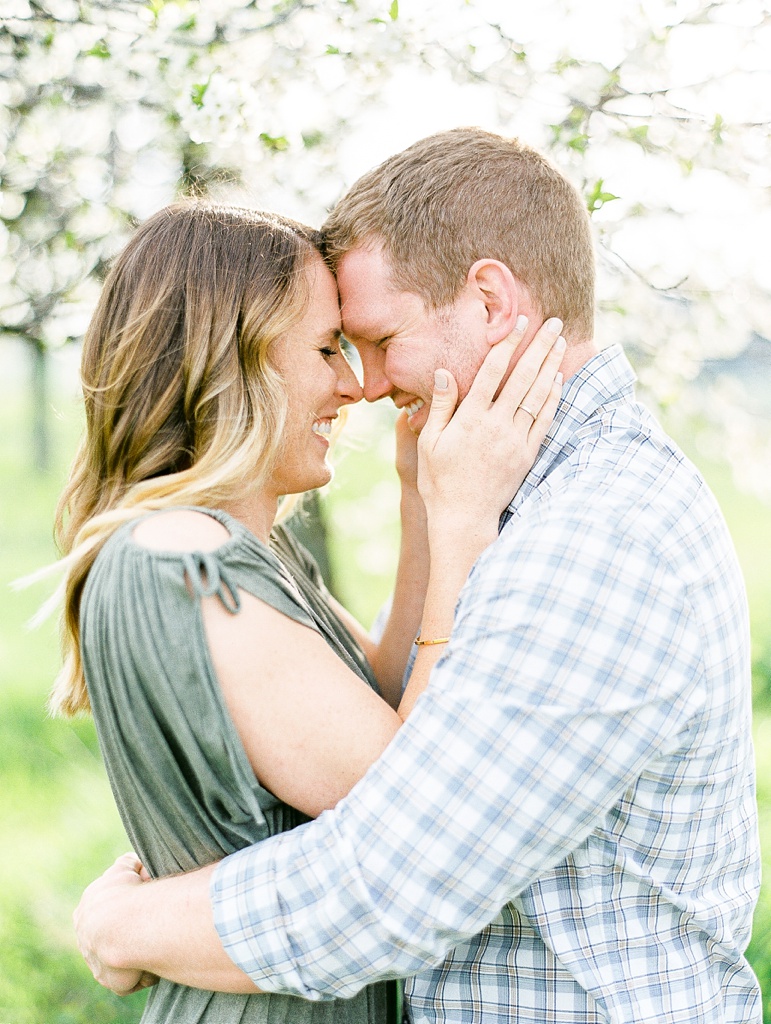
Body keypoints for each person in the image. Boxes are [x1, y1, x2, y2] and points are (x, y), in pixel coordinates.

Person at [74, 130, 762, 1024]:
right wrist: (433, 511)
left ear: (487, 299)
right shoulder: (525, 495)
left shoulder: (596, 536)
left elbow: (395, 879)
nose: (361, 384)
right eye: (331, 349)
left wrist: (131, 925)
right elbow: (403, 722)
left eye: (377, 339)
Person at [53, 197, 563, 1023]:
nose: (354, 385)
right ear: (234, 359)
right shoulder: (183, 558)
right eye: (327, 349)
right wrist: (467, 520)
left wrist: (422, 504)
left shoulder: (237, 551)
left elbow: (390, 697)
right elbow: (412, 796)